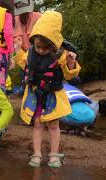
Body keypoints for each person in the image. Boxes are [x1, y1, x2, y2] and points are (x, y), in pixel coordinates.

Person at [14, 11, 81, 168]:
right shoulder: (31, 52)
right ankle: (37, 153)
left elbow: (69, 75)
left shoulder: (61, 55)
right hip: (36, 95)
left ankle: (54, 154)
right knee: (37, 123)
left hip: (53, 96)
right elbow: (24, 63)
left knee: (53, 125)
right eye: (38, 47)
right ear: (34, 41)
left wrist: (71, 63)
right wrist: (18, 49)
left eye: (45, 49)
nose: (41, 51)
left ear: (54, 44)